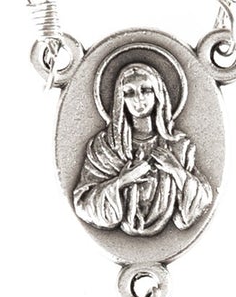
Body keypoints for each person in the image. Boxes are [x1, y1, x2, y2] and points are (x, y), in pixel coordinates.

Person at [73, 63, 213, 236]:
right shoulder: (105, 148)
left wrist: (176, 170)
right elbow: (83, 204)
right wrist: (121, 181)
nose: (138, 99)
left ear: (158, 94)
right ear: (120, 100)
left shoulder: (179, 146)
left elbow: (202, 201)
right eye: (129, 93)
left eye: (146, 90)